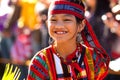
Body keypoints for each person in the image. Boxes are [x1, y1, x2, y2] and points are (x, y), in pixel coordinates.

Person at [27, 0, 110, 80]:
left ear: (81, 25)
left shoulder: (93, 59)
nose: (59, 26)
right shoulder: (41, 62)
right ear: (47, 23)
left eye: (67, 20)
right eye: (53, 20)